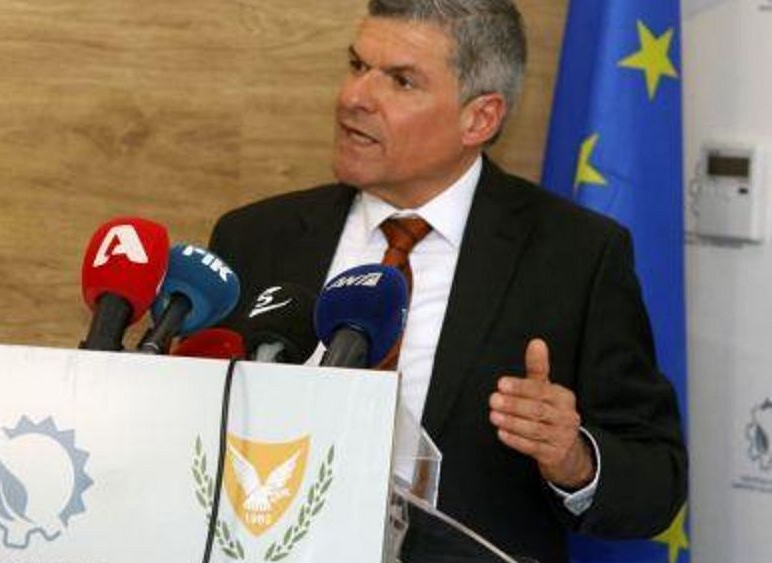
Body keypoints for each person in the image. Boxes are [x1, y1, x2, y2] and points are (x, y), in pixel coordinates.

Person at [208, 0, 687, 561]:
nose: (354, 97)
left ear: (479, 118)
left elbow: (657, 481)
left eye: (401, 81)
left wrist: (574, 457)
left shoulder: (575, 255)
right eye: (357, 65)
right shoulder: (255, 237)